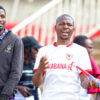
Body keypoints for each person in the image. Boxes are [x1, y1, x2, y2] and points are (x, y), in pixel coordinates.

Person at [32, 14, 97, 100]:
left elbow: (84, 82)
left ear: (73, 29)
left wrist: (91, 83)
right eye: (61, 24)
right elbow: (36, 83)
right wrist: (40, 70)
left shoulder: (81, 51)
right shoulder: (44, 51)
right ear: (55, 28)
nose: (65, 26)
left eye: (69, 25)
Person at [0, 5, 24, 100]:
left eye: (2, 16)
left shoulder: (15, 41)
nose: (0, 19)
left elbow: (16, 72)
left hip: (5, 95)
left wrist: (4, 95)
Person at [73, 35, 100, 100]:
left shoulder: (90, 63)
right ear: (81, 49)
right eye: (90, 47)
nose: (92, 50)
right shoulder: (69, 63)